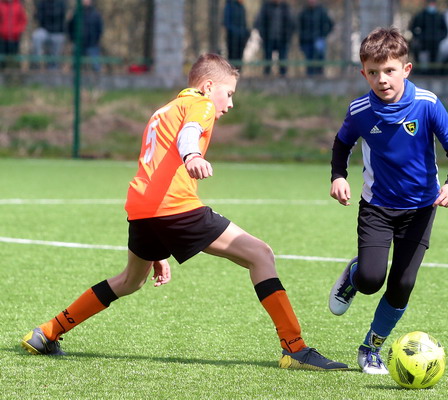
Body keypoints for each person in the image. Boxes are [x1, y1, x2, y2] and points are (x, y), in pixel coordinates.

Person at [20, 53, 349, 372]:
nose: (230, 104)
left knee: (130, 280)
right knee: (261, 254)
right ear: (208, 86)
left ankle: (47, 332)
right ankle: (295, 347)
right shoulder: (201, 104)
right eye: (229, 94)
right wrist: (192, 155)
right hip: (174, 207)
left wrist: (158, 245)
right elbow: (189, 133)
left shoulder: (162, 111)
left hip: (143, 209)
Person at [327, 27, 448, 374]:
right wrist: (338, 176)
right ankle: (355, 275)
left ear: (406, 69)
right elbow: (342, 143)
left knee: (403, 283)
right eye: (373, 72)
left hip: (421, 208)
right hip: (376, 207)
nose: (382, 79)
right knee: (371, 279)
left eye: (389, 70)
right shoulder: (360, 110)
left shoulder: (427, 104)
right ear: (364, 73)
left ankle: (371, 348)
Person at [254, 0, 295, 76]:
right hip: (268, 39)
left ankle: (283, 76)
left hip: (283, 39)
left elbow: (291, 24)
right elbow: (259, 23)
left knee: (283, 61)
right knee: (267, 60)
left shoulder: (285, 8)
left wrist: (288, 36)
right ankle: (267, 76)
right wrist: (263, 35)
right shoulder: (266, 7)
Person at [408, 0, 447, 74]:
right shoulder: (421, 15)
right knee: (422, 58)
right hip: (423, 42)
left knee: (434, 59)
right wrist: (419, 37)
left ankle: (433, 72)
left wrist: (439, 38)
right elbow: (412, 27)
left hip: (435, 42)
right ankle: (421, 72)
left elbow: (445, 30)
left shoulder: (439, 16)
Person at [298, 0, 334, 76]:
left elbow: (330, 24)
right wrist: (302, 37)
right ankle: (309, 76)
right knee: (309, 60)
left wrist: (323, 35)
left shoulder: (322, 11)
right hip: (307, 41)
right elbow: (299, 27)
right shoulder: (303, 12)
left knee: (320, 59)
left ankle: (320, 76)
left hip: (319, 39)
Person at [67, 0, 103, 73]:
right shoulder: (76, 13)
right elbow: (70, 27)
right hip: (79, 43)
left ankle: (97, 78)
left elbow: (99, 29)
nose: (85, 1)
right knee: (76, 66)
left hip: (92, 43)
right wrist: (73, 40)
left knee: (96, 66)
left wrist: (96, 40)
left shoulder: (96, 14)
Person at [32, 0, 67, 70]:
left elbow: (61, 16)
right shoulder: (42, 3)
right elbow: (38, 17)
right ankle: (37, 62)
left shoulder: (61, 3)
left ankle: (54, 68)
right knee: (36, 36)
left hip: (58, 32)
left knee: (58, 42)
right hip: (45, 30)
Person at [223, 0, 250, 70]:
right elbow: (226, 22)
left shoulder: (242, 8)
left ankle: (239, 71)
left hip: (241, 38)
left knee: (240, 57)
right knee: (232, 58)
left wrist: (246, 32)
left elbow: (244, 23)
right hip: (232, 38)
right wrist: (235, 32)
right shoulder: (229, 6)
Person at [0, 0, 27, 69]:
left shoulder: (18, 5)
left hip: (15, 37)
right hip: (2, 37)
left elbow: (23, 20)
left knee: (14, 57)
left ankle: (13, 71)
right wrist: (1, 30)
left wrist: (18, 30)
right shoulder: (1, 5)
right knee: (2, 58)